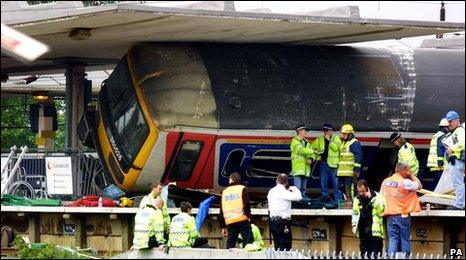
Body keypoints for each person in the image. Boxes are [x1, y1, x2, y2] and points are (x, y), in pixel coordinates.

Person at [380, 162, 422, 257]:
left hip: (390, 215)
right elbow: (419, 186)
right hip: (403, 215)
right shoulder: (405, 182)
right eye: (407, 170)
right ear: (404, 171)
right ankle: (406, 257)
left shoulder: (385, 181)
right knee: (404, 239)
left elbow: (381, 196)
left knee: (393, 239)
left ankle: (391, 257)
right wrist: (411, 175)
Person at [267, 174, 302, 251]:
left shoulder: (271, 191)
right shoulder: (284, 192)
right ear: (287, 182)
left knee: (277, 246)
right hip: (283, 223)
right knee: (285, 247)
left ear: (277, 181)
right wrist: (293, 188)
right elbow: (299, 197)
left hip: (272, 222)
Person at [351, 180, 385, 258]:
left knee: (376, 254)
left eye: (363, 191)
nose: (361, 193)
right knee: (364, 254)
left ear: (368, 188)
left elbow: (382, 209)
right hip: (363, 232)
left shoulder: (378, 196)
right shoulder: (357, 199)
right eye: (359, 191)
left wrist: (372, 199)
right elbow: (355, 214)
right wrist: (354, 226)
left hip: (375, 232)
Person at [219, 172, 253, 249]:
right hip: (242, 219)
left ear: (231, 180)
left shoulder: (224, 192)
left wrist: (223, 226)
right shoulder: (242, 188)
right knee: (248, 241)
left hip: (230, 221)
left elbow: (221, 210)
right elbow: (247, 204)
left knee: (231, 242)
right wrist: (248, 216)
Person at [312, 123, 342, 200]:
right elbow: (312, 149)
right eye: (324, 131)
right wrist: (318, 157)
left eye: (326, 131)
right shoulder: (319, 139)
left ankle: (339, 203)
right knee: (324, 185)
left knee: (336, 185)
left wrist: (330, 140)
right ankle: (325, 202)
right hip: (323, 164)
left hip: (333, 165)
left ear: (331, 131)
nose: (325, 133)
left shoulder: (336, 138)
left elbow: (337, 148)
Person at [337, 124, 363, 204]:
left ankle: (352, 203)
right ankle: (346, 201)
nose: (343, 135)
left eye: (344, 134)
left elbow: (358, 157)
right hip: (342, 172)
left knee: (350, 189)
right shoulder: (344, 143)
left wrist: (356, 170)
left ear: (350, 134)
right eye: (342, 134)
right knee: (341, 187)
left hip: (350, 172)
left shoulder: (354, 143)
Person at [445, 111, 465, 210]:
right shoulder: (456, 131)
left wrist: (452, 149)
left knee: (458, 183)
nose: (449, 123)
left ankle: (458, 205)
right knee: (458, 183)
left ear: (457, 120)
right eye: (448, 121)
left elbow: (462, 143)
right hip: (456, 160)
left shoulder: (460, 131)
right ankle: (460, 204)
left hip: (458, 161)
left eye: (451, 121)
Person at [290, 124, 315, 197]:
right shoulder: (294, 141)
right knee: (297, 189)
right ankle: (297, 203)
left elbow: (310, 154)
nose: (305, 133)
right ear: (299, 131)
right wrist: (313, 151)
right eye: (304, 131)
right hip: (298, 169)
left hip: (306, 169)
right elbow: (301, 150)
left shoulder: (306, 142)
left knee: (303, 189)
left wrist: (311, 158)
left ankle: (302, 204)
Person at [426, 118, 450, 190]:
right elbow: (440, 149)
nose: (449, 129)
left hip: (435, 164)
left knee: (436, 181)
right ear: (445, 127)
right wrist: (440, 163)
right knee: (440, 183)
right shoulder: (442, 136)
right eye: (448, 128)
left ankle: (433, 194)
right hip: (439, 165)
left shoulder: (436, 135)